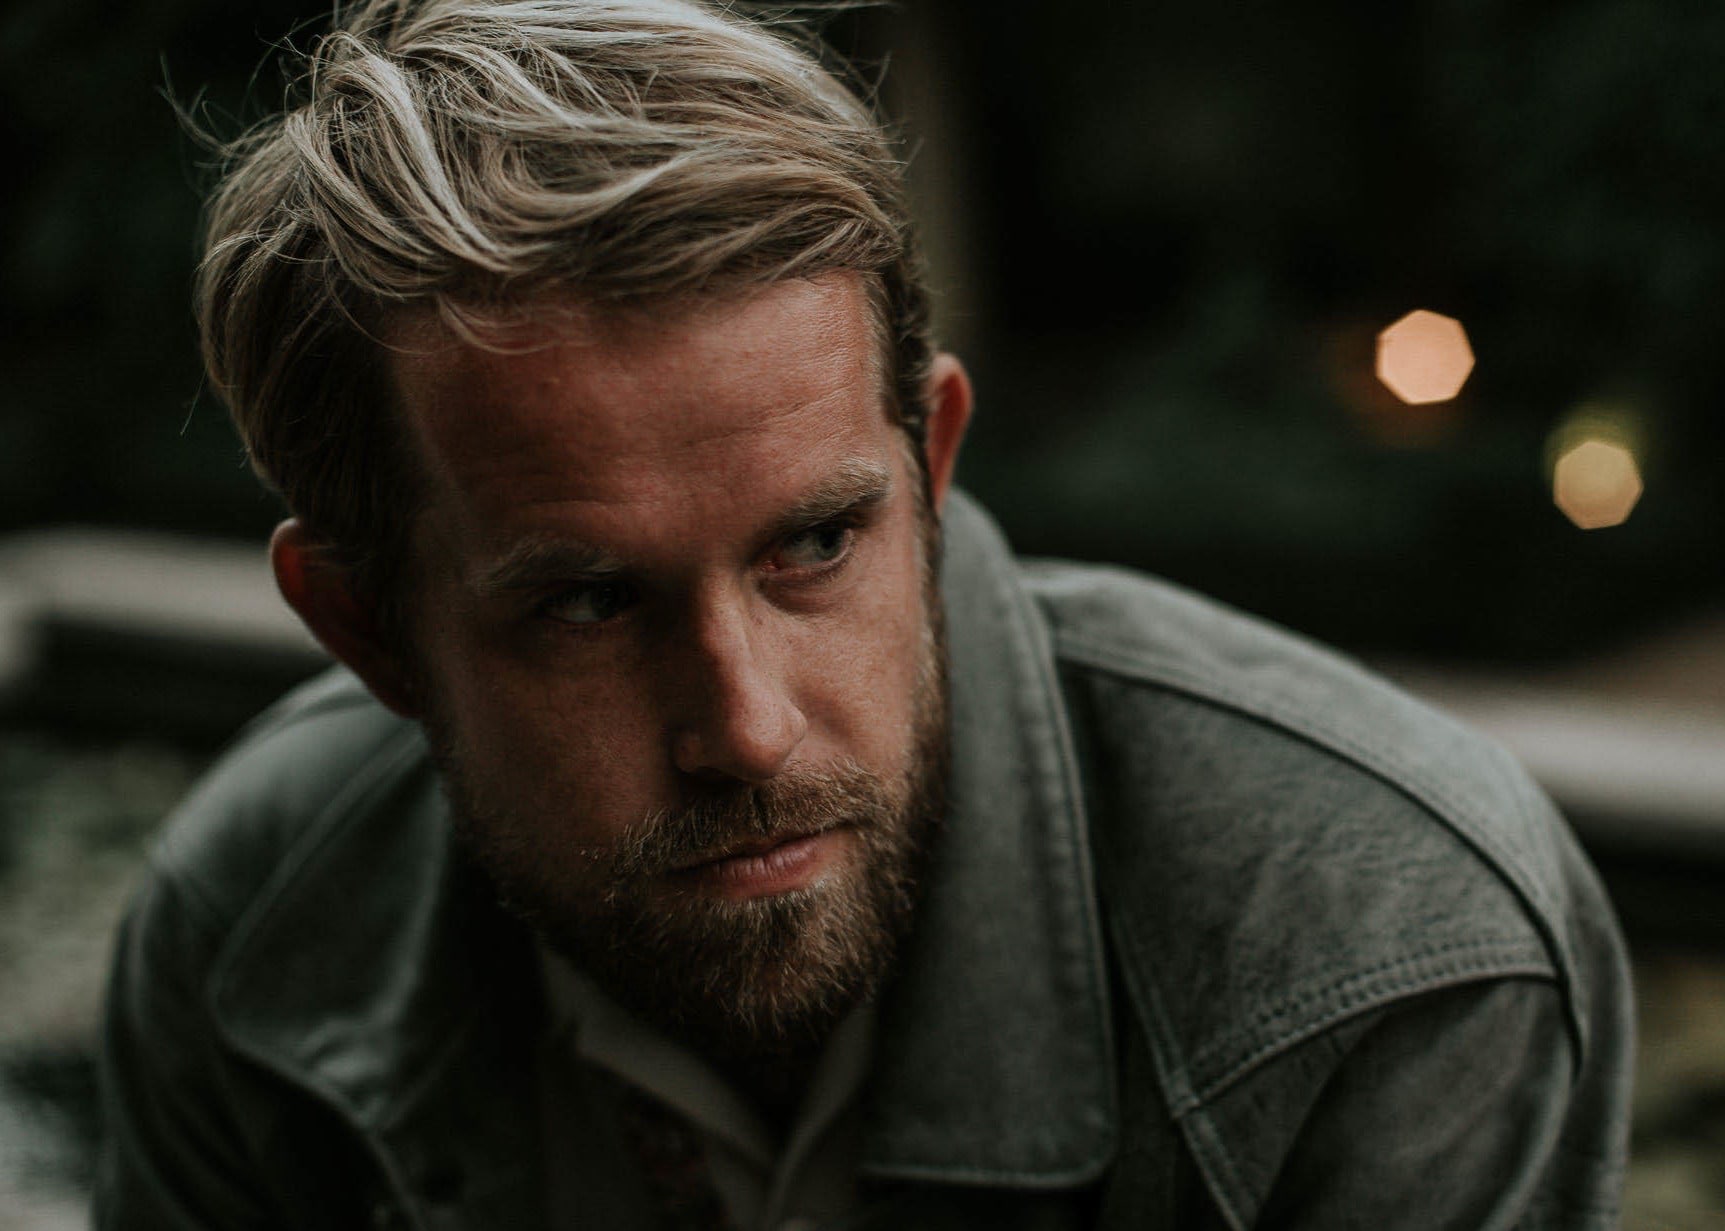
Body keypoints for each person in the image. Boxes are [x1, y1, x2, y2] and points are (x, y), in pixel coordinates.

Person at [96, 1, 1634, 1227]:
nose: (747, 728)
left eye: (817, 542)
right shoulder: (253, 937)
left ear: (934, 462)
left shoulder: (1384, 955)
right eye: (588, 603)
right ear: (366, 630)